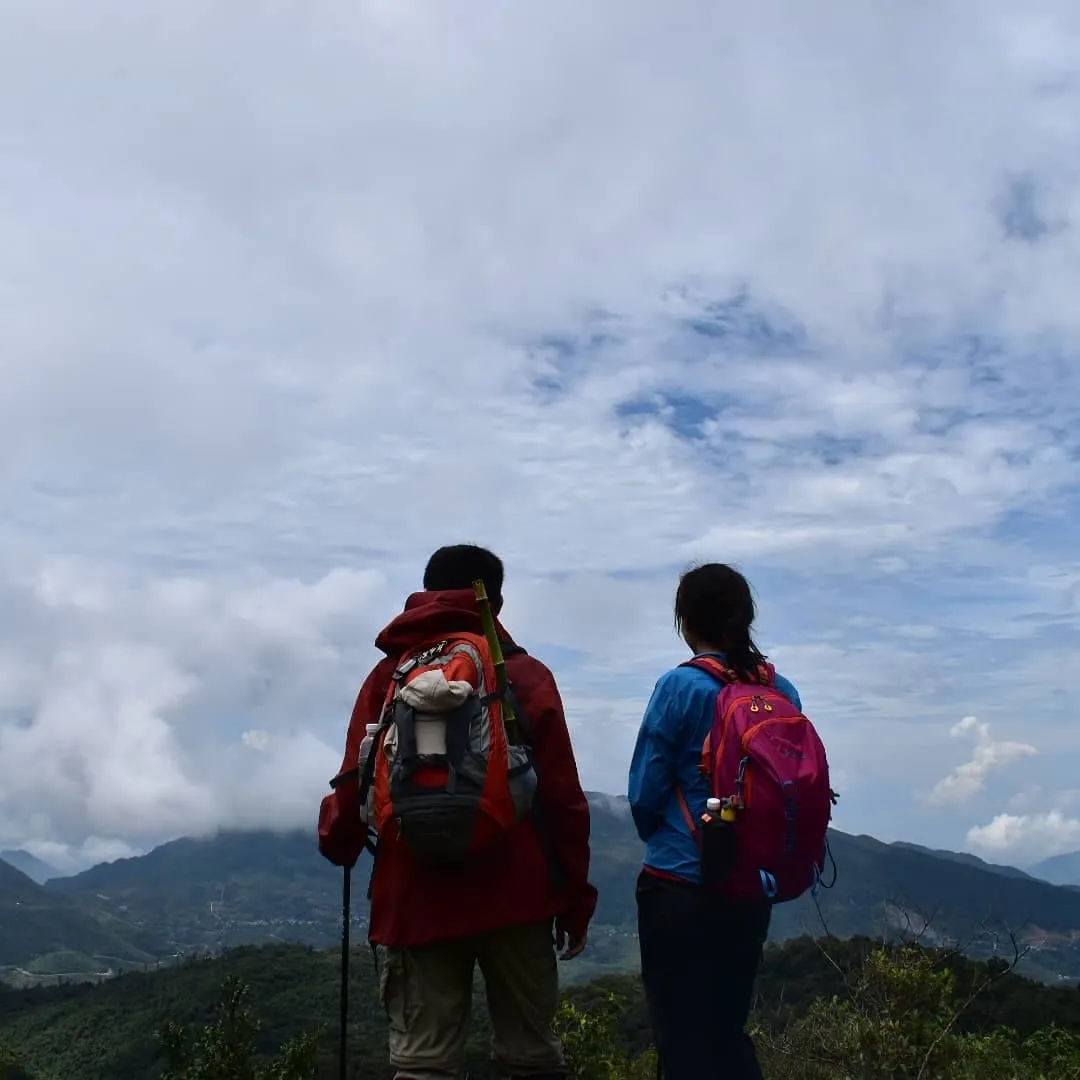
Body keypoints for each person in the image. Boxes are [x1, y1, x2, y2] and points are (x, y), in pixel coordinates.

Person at [321, 544, 597, 1080]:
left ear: (424, 592)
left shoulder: (389, 676)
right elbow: (563, 798)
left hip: (415, 896)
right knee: (531, 1061)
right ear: (495, 601)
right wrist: (575, 899)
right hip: (517, 894)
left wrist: (339, 843)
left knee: (424, 1066)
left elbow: (354, 787)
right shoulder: (526, 676)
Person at [628, 562, 803, 1080]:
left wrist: (666, 836)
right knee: (728, 1031)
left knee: (681, 1037)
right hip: (750, 886)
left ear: (686, 621)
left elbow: (644, 793)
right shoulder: (783, 690)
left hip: (678, 883)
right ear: (746, 617)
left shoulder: (679, 686)